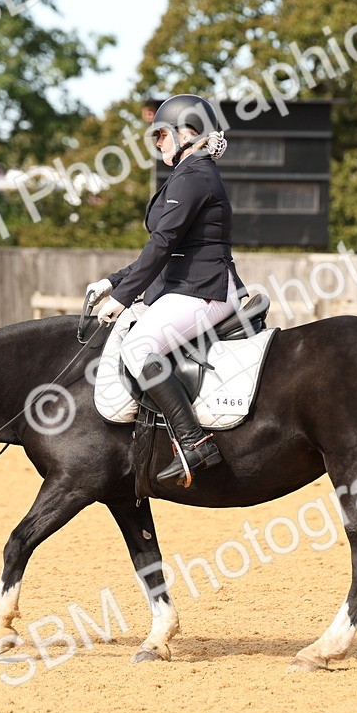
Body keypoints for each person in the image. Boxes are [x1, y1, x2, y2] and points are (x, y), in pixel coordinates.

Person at [86, 94, 246, 487]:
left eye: (161, 134)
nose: (157, 143)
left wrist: (122, 298)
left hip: (204, 289)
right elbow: (165, 247)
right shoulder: (187, 174)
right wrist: (113, 281)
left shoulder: (195, 176)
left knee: (138, 348)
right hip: (187, 285)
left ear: (187, 133)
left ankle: (194, 443)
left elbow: (162, 243)